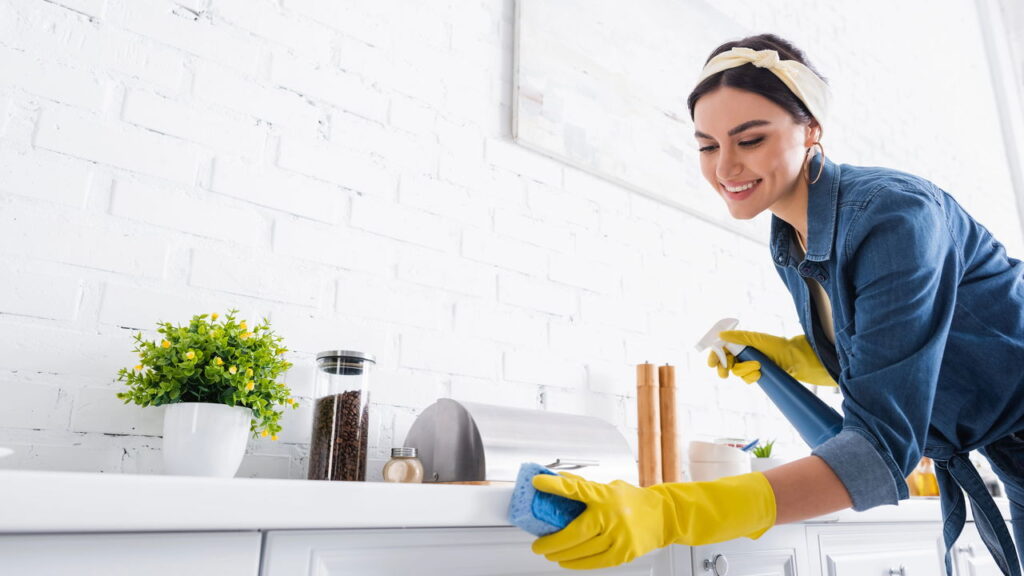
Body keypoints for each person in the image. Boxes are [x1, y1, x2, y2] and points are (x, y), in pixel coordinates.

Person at [530, 33, 1024, 575]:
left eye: (750, 139)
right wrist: (796, 357)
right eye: (708, 145)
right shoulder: (790, 240)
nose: (725, 168)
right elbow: (896, 355)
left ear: (811, 129)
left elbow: (882, 448)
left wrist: (670, 512)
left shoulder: (895, 217)